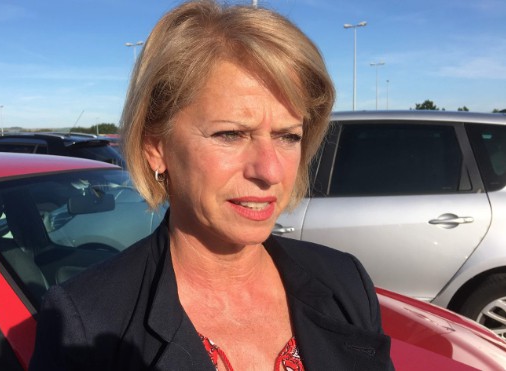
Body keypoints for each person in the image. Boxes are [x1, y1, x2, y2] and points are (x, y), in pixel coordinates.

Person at [30, 1, 394, 370]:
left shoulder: (344, 282)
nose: (269, 171)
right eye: (231, 134)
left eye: (288, 136)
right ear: (156, 149)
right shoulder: (88, 323)